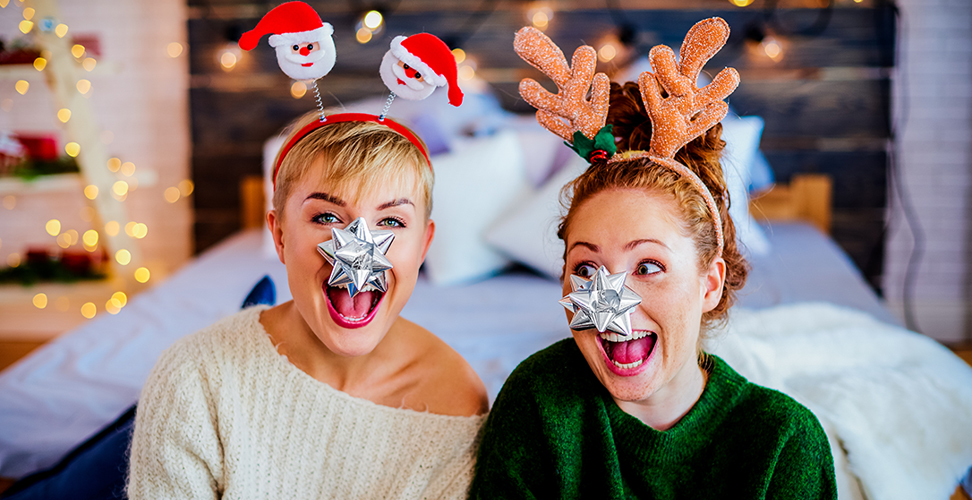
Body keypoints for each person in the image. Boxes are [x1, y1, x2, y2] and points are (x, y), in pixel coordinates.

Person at [470, 19, 838, 497]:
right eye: (585, 269)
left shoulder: (783, 442)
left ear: (709, 283)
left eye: (647, 267)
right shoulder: (538, 399)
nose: (611, 299)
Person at [128, 111, 489, 499]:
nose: (359, 249)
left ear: (423, 246)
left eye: (392, 222)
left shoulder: (455, 404)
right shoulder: (194, 377)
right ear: (280, 235)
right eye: (328, 216)